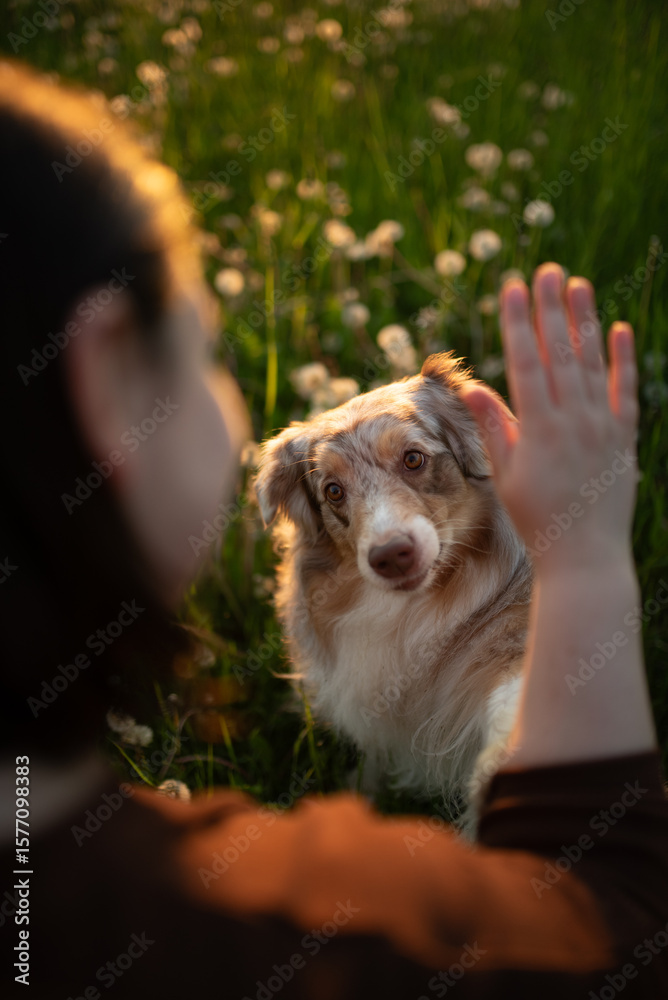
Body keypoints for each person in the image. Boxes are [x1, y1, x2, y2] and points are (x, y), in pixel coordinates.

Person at [0, 61, 667, 999]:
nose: (384, 530)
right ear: (112, 387)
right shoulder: (330, 924)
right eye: (208, 344)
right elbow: (612, 929)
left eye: (414, 462)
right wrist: (589, 561)